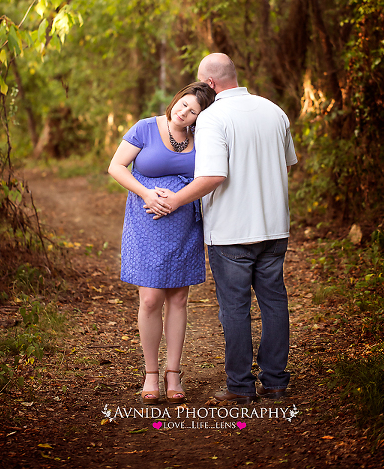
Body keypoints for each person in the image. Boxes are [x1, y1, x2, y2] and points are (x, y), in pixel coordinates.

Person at [149, 53, 298, 403]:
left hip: (232, 231)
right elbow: (287, 163)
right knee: (274, 303)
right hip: (275, 227)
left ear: (211, 84)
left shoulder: (214, 116)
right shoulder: (273, 110)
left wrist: (175, 200)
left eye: (202, 84)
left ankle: (241, 387)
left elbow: (214, 176)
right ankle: (276, 381)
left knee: (235, 307)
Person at [108, 81, 215, 404]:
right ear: (176, 99)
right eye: (183, 104)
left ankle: (173, 372)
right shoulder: (145, 128)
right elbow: (116, 167)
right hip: (146, 221)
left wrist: (180, 199)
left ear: (199, 118)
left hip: (183, 224)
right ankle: (150, 372)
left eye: (192, 111)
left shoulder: (202, 140)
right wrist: (147, 194)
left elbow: (207, 178)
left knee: (179, 298)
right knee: (151, 298)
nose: (183, 113)